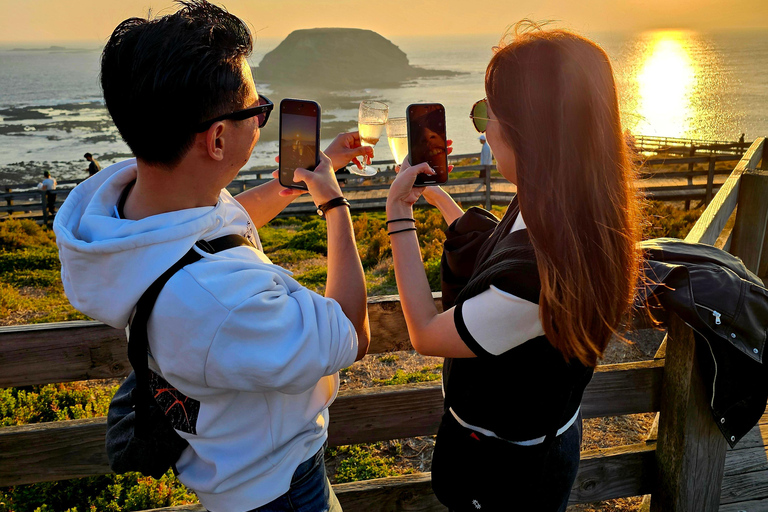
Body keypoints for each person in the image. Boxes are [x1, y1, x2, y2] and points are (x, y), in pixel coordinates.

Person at [54, 1, 373, 511]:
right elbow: (352, 332)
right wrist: (335, 206)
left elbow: (213, 230)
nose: (262, 118)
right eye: (257, 110)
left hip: (232, 471)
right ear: (218, 138)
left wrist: (301, 180)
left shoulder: (133, 211)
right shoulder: (220, 301)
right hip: (281, 490)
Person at [385, 23, 641, 511]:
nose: (482, 130)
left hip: (507, 469)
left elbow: (423, 333)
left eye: (486, 115)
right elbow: (500, 254)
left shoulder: (538, 276)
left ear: (531, 133)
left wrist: (398, 217)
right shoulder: (572, 207)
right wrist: (441, 201)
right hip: (542, 435)